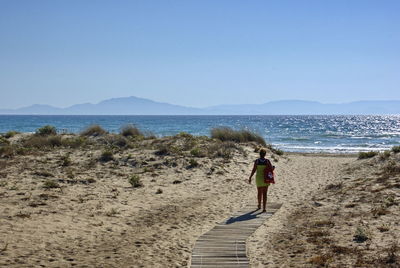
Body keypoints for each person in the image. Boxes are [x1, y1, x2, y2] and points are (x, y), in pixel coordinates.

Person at [248, 148, 274, 212]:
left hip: (259, 178)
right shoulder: (267, 161)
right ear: (265, 154)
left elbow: (254, 170)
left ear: (259, 154)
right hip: (265, 178)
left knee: (259, 193)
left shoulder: (257, 161)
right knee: (265, 193)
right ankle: (264, 208)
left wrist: (250, 177)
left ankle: (259, 205)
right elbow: (271, 170)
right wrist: (273, 168)